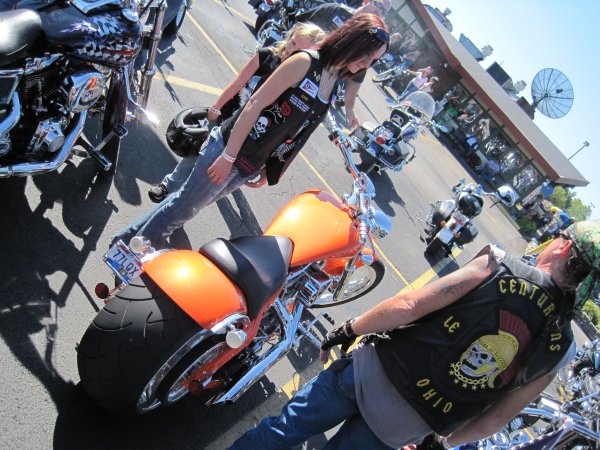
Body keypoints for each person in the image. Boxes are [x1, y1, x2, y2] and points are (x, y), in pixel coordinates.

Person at [228, 221, 600, 450]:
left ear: (564, 246)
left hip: (368, 375)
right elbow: (495, 420)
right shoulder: (564, 350)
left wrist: (348, 329)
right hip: (401, 428)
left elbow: (410, 305)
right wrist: (445, 442)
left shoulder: (500, 264)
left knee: (280, 433)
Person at [114, 14, 389, 250]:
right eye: (367, 55)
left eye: (374, 60)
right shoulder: (306, 62)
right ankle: (131, 257)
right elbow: (254, 104)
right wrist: (228, 156)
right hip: (228, 150)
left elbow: (298, 133)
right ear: (351, 41)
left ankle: (124, 243)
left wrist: (272, 170)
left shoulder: (333, 80)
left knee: (184, 205)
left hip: (250, 164)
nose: (367, 65)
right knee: (182, 210)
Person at [147, 22, 326, 203]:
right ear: (289, 36)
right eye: (293, 42)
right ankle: (168, 186)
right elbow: (237, 84)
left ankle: (180, 202)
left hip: (250, 140)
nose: (292, 50)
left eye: (299, 49)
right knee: (196, 155)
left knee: (210, 181)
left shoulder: (299, 83)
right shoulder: (267, 57)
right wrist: (215, 108)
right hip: (227, 121)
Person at [295, 0, 391, 128]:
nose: (379, 12)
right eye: (378, 5)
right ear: (367, 1)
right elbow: (298, 26)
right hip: (298, 68)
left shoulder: (371, 41)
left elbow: (356, 79)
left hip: (317, 87)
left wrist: (349, 109)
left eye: (384, 11)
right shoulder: (336, 11)